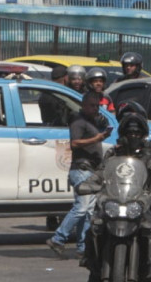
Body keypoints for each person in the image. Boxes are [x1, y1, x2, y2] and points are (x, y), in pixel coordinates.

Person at [85, 109, 151, 282]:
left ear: (143, 134)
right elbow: (102, 171)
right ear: (122, 135)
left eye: (136, 133)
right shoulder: (113, 153)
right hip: (115, 200)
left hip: (142, 202)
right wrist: (91, 182)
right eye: (129, 133)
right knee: (94, 227)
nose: (133, 136)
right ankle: (93, 267)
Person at [47, 92, 111, 259]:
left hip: (90, 170)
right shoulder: (78, 121)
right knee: (81, 207)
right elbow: (74, 143)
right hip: (81, 169)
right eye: (92, 105)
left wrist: (103, 135)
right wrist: (96, 138)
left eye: (97, 106)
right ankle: (58, 238)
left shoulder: (92, 122)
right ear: (83, 105)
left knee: (89, 210)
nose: (95, 109)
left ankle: (83, 247)